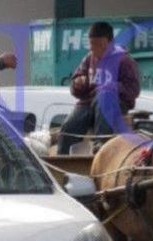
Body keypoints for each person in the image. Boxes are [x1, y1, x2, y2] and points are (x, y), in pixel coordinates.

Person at [57, 22, 140, 155]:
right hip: (88, 103)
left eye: (99, 45)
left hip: (113, 104)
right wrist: (78, 83)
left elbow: (133, 90)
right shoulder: (89, 58)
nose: (95, 50)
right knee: (69, 126)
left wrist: (111, 87)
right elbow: (76, 83)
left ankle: (100, 147)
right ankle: (63, 157)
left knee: (104, 97)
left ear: (111, 43)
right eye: (92, 45)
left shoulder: (124, 60)